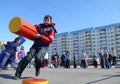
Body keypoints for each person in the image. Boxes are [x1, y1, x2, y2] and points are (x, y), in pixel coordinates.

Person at [14, 15, 57, 80]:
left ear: (50, 21)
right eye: (45, 20)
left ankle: (37, 68)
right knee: (27, 58)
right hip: (35, 45)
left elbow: (50, 40)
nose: (46, 21)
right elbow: (31, 28)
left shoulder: (52, 29)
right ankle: (17, 74)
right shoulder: (39, 26)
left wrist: (40, 36)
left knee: (38, 57)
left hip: (44, 46)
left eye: (48, 20)